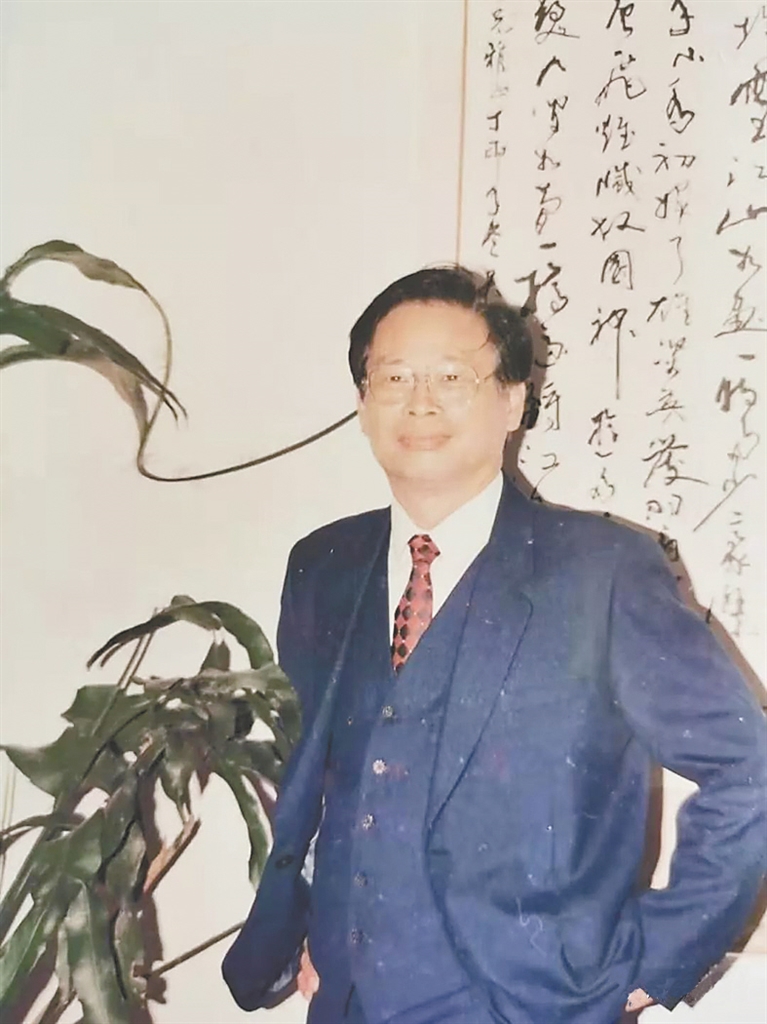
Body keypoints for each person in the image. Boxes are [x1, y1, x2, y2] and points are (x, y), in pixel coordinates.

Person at [222, 266, 767, 1024]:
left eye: (452, 376)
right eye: (393, 377)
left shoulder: (602, 570)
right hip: (346, 1001)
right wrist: (315, 918)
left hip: (533, 1005)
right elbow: (324, 770)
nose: (419, 401)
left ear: (512, 401)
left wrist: (655, 958)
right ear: (363, 404)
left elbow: (749, 767)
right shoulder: (323, 566)